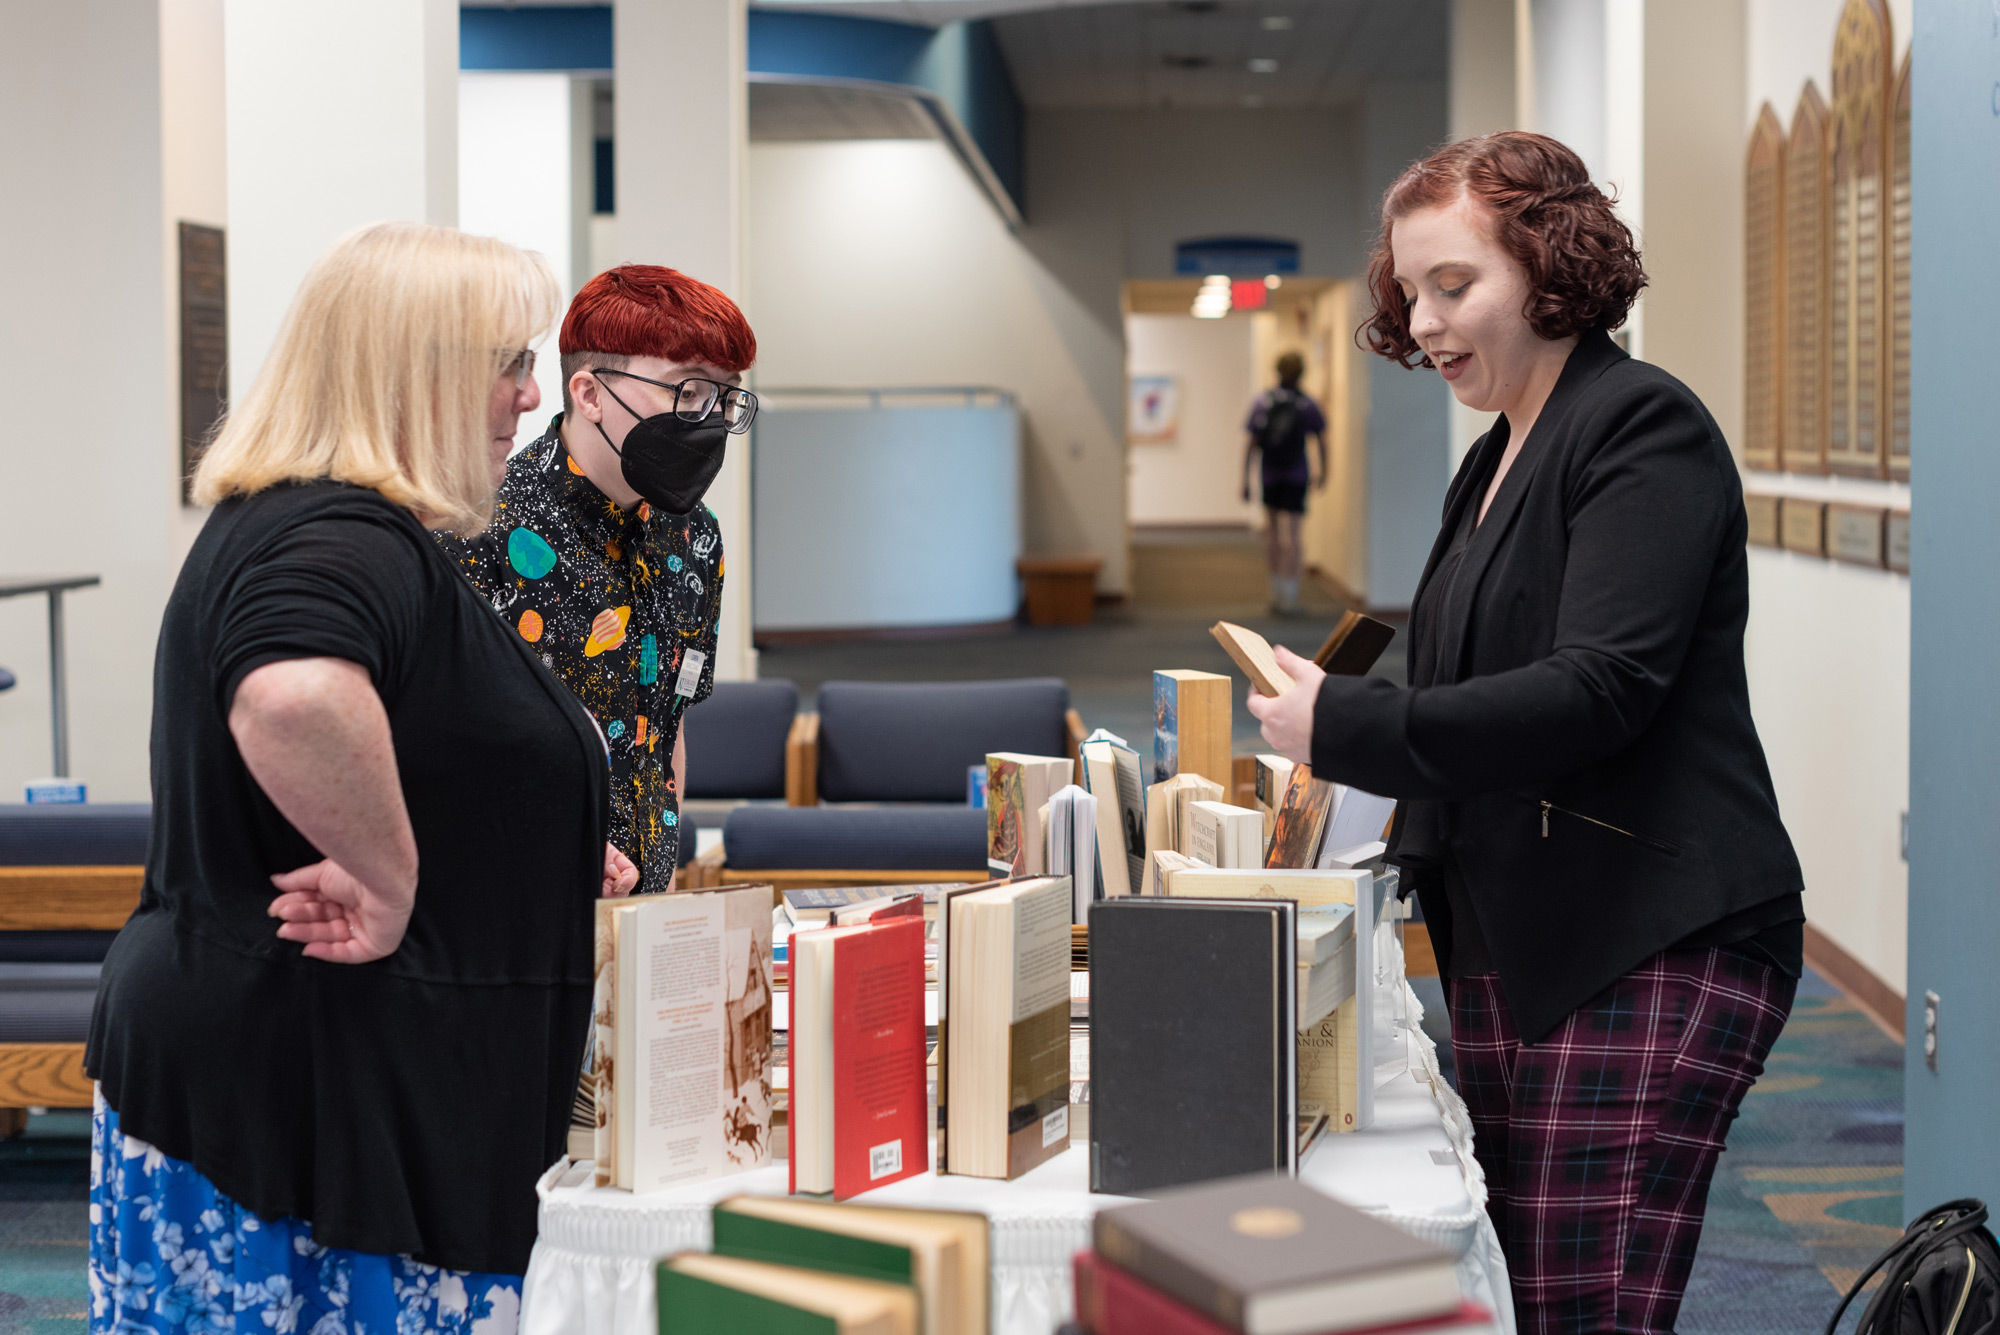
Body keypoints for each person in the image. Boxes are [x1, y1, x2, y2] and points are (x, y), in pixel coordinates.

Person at [1246, 133, 1804, 1335]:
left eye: (1456, 286)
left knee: (1576, 1307)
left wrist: (1343, 725)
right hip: (1524, 925)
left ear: (1553, 267)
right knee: (1525, 1285)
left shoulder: (1639, 425)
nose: (1427, 322)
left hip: (1648, 931)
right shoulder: (1497, 452)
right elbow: (1468, 686)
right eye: (1410, 292)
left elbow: (1597, 689)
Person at [86, 221, 636, 1335]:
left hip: (320, 1087)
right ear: (418, 376)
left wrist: (539, 847)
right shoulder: (340, 535)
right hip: (308, 1108)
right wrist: (384, 880)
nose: (530, 400)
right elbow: (293, 697)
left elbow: (420, 744)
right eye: (509, 365)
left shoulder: (332, 525)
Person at [435, 265, 757, 895]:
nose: (709, 418)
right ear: (589, 394)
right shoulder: (475, 526)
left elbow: (669, 725)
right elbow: (441, 742)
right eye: (685, 391)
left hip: (644, 907)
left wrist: (658, 888)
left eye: (724, 396)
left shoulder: (696, 537)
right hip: (510, 901)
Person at [1241, 351, 1327, 616]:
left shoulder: (1263, 401)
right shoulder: (1307, 403)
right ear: (1302, 373)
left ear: (1276, 372)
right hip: (1296, 475)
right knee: (1294, 536)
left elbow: (1251, 445)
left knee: (1274, 535)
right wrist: (1324, 471)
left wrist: (1244, 479)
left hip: (1270, 474)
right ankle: (1291, 594)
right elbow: (1321, 439)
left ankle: (1275, 591)